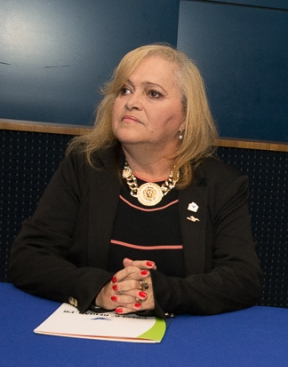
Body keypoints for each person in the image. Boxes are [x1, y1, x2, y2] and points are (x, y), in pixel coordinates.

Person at [10, 44, 262, 317]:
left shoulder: (221, 184)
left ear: (185, 118)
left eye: (153, 93)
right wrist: (101, 289)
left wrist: (161, 293)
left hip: (184, 335)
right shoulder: (84, 167)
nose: (131, 102)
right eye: (125, 90)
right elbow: (28, 257)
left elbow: (243, 278)